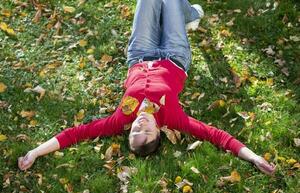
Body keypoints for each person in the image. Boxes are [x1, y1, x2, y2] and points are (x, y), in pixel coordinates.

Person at [18, 0, 275, 175]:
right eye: (146, 130)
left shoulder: (122, 118)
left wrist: (35, 152)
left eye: (134, 131)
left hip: (140, 53)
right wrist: (253, 157)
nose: (140, 123)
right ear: (159, 131)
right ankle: (188, 14)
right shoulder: (173, 117)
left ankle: (189, 14)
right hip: (175, 54)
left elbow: (76, 134)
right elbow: (217, 135)